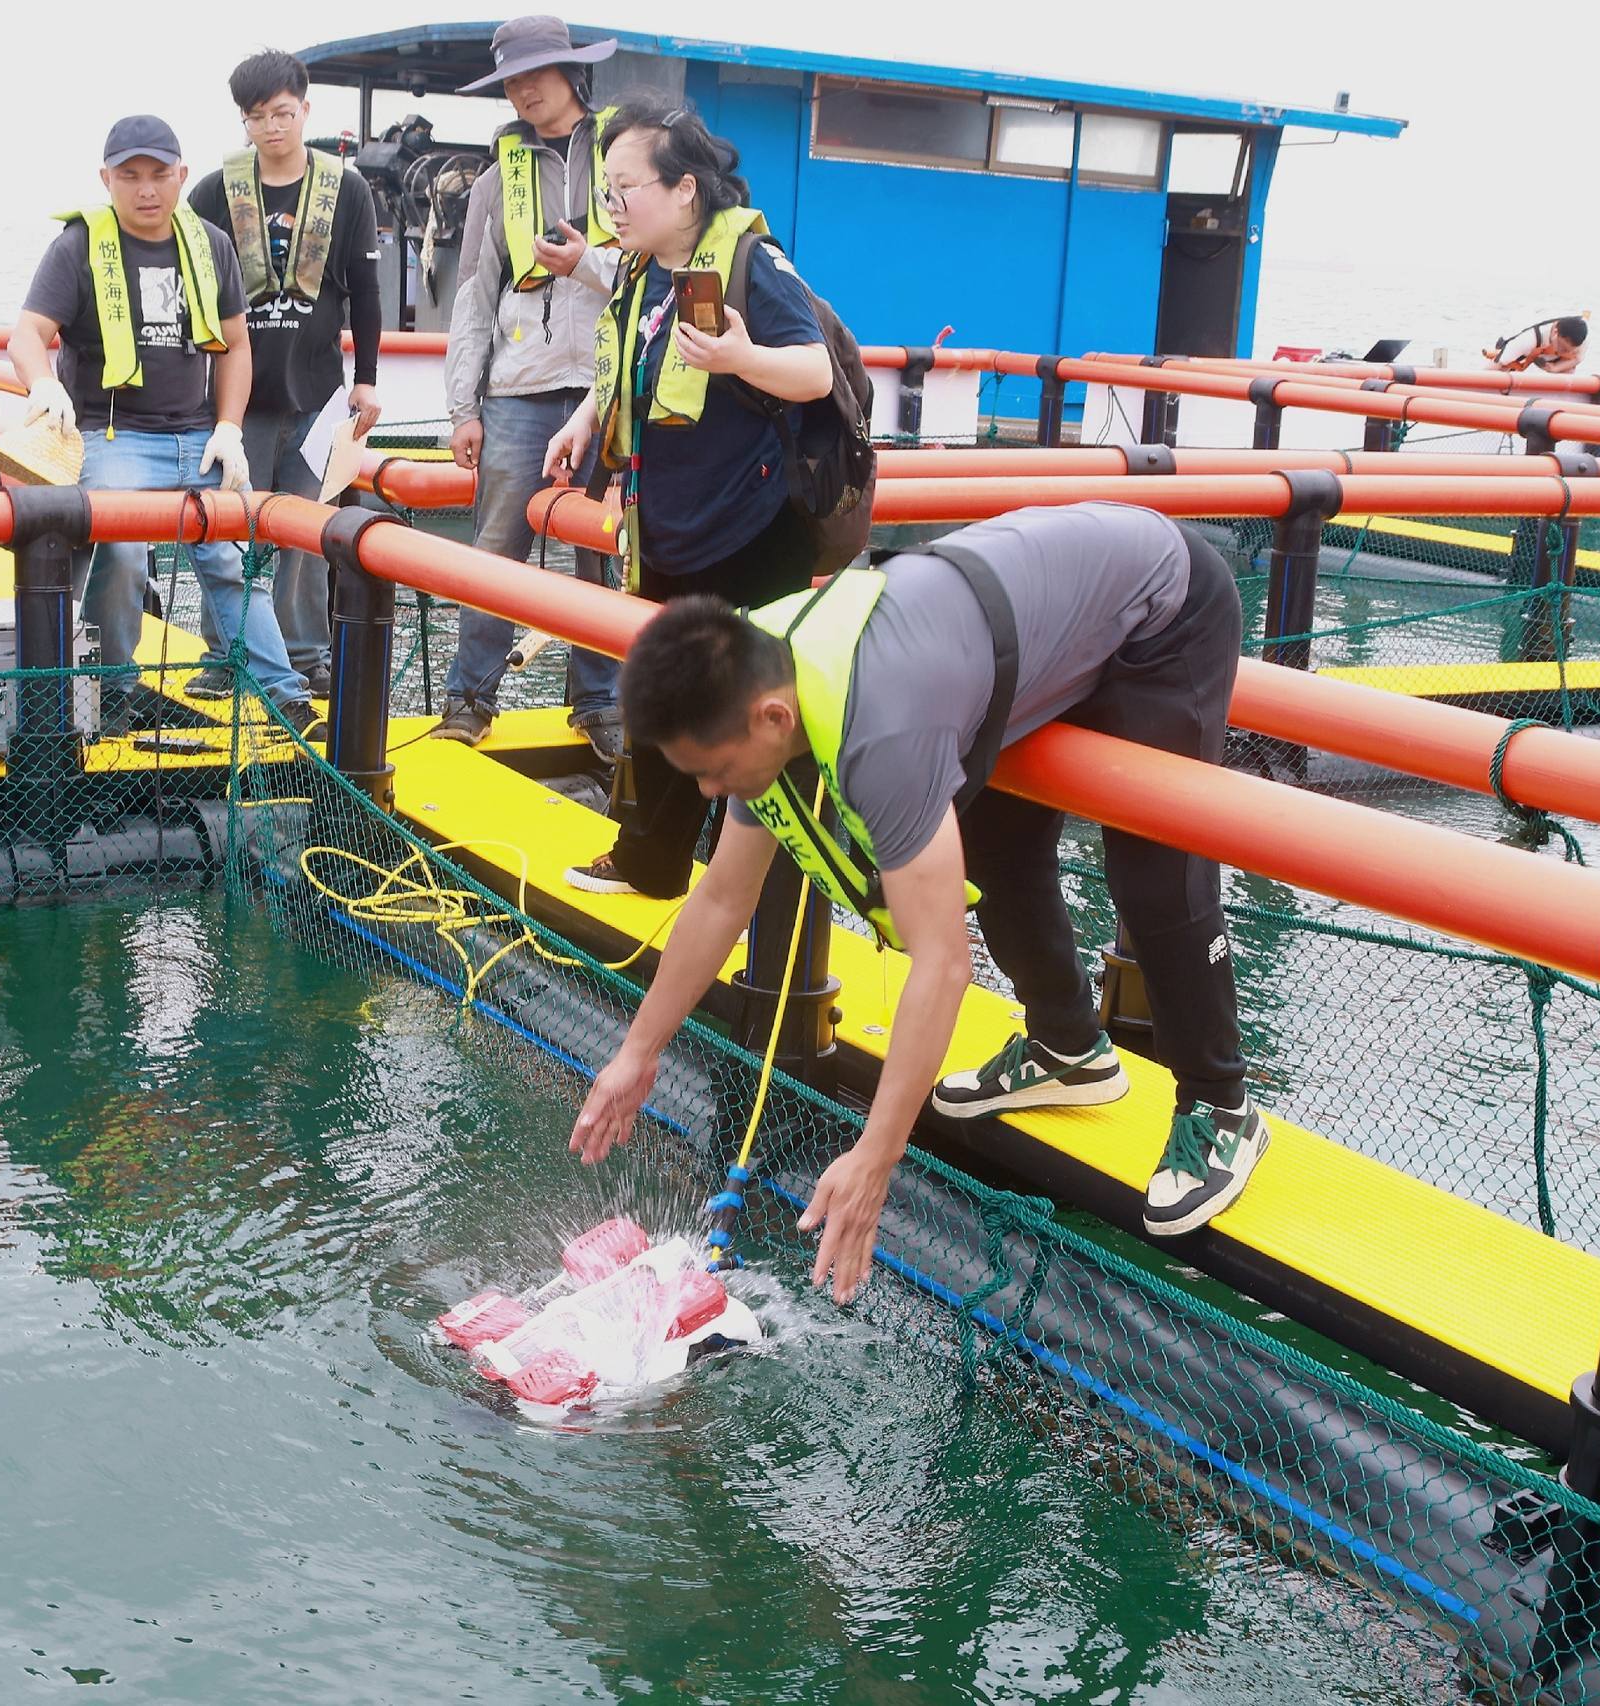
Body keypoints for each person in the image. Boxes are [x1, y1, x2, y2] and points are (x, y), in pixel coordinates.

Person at [570, 504, 1268, 1301]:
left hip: (1161, 603)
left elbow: (943, 966)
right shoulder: (752, 680)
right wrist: (638, 1052)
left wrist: (875, 1157)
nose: (708, 791)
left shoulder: (883, 737)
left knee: (1152, 865)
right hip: (1018, 619)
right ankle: (1068, 1050)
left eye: (714, 770)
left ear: (772, 719)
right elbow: (723, 897)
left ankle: (1222, 1105)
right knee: (1000, 847)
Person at [540, 96, 833, 902]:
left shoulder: (753, 265)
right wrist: (582, 419)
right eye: (607, 188)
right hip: (667, 525)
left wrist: (741, 355)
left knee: (748, 711)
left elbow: (813, 374)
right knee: (667, 701)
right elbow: (632, 362)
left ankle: (773, 900)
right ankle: (655, 864)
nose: (611, 206)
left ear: (684, 192)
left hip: (750, 532)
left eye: (625, 187)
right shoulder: (645, 269)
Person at [6, 114, 318, 735]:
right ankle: (114, 687)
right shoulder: (77, 246)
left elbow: (233, 346)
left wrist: (229, 426)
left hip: (198, 437)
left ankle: (283, 694)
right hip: (112, 436)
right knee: (120, 554)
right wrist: (43, 384)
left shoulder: (211, 244)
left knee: (234, 560)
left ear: (181, 176)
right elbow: (27, 334)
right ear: (106, 179)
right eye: (130, 176)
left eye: (159, 175)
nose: (146, 190)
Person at [430, 15, 624, 761]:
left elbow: (652, 279)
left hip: (607, 390)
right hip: (516, 393)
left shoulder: (627, 165)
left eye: (536, 71)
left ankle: (599, 700)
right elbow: (474, 300)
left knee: (602, 553)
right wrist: (461, 408)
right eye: (512, 77)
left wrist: (588, 267)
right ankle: (468, 697)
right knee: (494, 551)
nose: (523, 88)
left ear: (573, 73)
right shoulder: (490, 182)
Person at [186, 48, 385, 701]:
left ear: (304, 108)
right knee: (226, 528)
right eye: (256, 117)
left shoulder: (346, 188)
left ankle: (305, 653)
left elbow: (366, 289)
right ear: (242, 122)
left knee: (307, 531)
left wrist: (368, 377)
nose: (271, 127)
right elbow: (187, 285)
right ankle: (226, 654)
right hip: (235, 401)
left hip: (318, 392)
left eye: (282, 112)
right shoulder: (215, 190)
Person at [1483, 315, 1587, 374]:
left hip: (1547, 356)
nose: (1564, 352)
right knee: (1503, 369)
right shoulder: (1528, 339)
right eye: (1563, 348)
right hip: (1513, 345)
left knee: (1569, 369)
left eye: (1569, 350)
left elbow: (1577, 359)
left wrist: (1555, 368)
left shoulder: (1582, 340)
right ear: (1555, 333)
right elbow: (1495, 364)